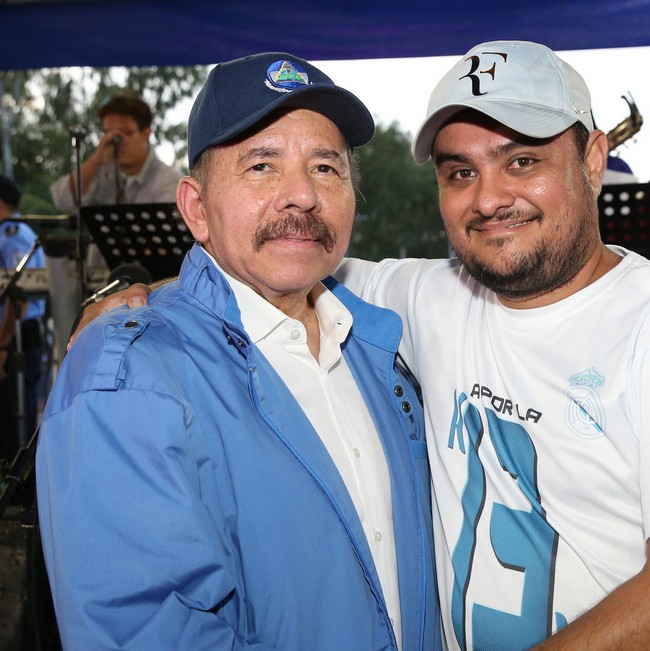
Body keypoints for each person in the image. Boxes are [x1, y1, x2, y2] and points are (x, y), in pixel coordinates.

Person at [77, 41, 650, 650]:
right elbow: (270, 255)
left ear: (593, 159)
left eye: (522, 160)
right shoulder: (424, 297)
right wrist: (135, 292)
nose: (489, 198)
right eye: (459, 172)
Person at [36, 52, 441, 650]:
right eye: (261, 166)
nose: (302, 194)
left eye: (325, 167)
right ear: (196, 209)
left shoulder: (382, 343)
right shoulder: (128, 377)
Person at [50, 94, 182, 211]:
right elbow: (63, 200)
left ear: (146, 134)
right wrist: (97, 158)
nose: (117, 141)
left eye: (127, 133)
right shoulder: (99, 173)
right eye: (108, 133)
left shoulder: (168, 181)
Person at [0, 174, 47, 460]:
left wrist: (3, 345)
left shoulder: (13, 235)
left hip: (17, 336)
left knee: (15, 418)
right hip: (13, 335)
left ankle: (18, 477)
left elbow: (20, 297)